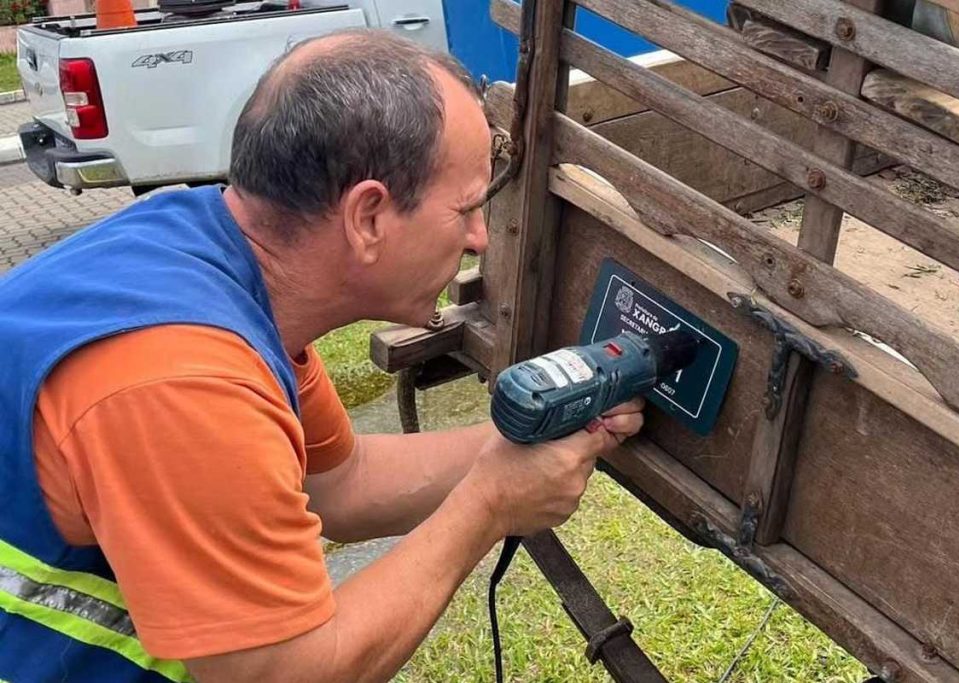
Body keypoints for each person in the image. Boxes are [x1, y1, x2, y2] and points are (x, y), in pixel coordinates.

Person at [0, 29, 645, 683]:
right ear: (367, 216)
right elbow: (282, 672)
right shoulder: (186, 382)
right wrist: (487, 506)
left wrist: (513, 449)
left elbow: (339, 480)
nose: (480, 236)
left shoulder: (213, 261)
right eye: (468, 207)